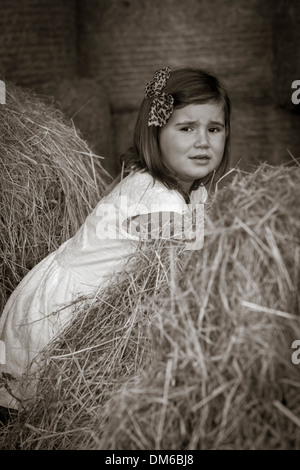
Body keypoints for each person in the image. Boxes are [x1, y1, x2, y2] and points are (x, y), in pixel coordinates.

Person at [0, 66, 231, 409]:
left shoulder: (160, 183)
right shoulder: (156, 200)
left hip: (67, 299)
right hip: (62, 320)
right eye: (186, 128)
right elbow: (202, 251)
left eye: (214, 129)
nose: (202, 141)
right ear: (155, 134)